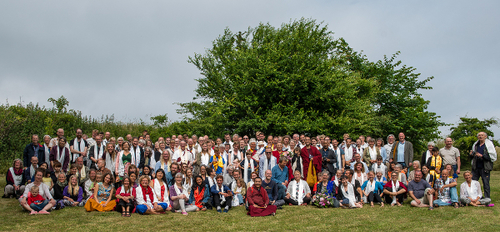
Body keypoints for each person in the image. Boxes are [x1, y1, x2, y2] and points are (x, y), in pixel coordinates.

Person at [469, 131, 497, 198]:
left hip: (485, 167)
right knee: (473, 183)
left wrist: (482, 156)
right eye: (479, 135)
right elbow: (472, 157)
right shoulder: (475, 145)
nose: (480, 136)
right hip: (476, 167)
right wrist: (471, 154)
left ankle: (487, 198)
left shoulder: (489, 145)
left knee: (486, 184)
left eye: (482, 135)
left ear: (485, 136)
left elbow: (491, 157)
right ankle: (473, 196)